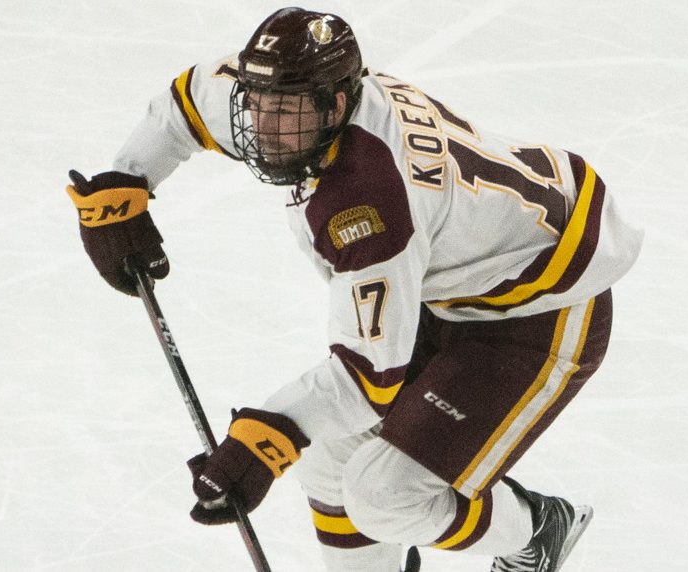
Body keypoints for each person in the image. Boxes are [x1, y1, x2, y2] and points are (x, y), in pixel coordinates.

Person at [66, 8, 642, 572]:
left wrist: (264, 437)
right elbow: (186, 104)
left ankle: (538, 530)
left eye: (284, 109)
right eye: (257, 103)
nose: (263, 129)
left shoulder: (369, 199)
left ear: (336, 102)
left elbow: (369, 376)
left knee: (386, 496)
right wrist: (125, 184)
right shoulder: (284, 96)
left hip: (538, 307)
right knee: (329, 460)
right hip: (445, 278)